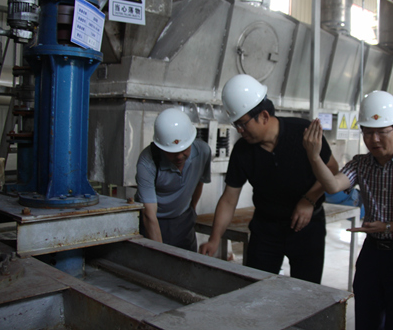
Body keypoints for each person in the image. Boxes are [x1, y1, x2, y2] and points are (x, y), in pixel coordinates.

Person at [303, 90, 393, 330]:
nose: (374, 139)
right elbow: (333, 185)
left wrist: (388, 227)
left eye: (381, 132)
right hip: (374, 253)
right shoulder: (361, 163)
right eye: (367, 132)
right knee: (367, 318)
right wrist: (314, 157)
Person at [199, 74, 338, 284]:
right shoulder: (242, 151)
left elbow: (333, 169)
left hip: (307, 227)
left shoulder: (303, 132)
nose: (240, 131)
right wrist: (214, 239)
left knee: (308, 291)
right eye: (236, 125)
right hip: (266, 229)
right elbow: (229, 199)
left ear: (264, 116)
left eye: (243, 124)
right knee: (256, 288)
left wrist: (309, 200)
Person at [136, 107, 212, 252]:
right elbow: (149, 215)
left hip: (183, 220)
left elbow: (199, 183)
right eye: (172, 152)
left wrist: (191, 210)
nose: (179, 156)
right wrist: (160, 255)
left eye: (184, 150)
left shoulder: (203, 152)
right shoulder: (147, 163)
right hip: (155, 221)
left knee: (188, 263)